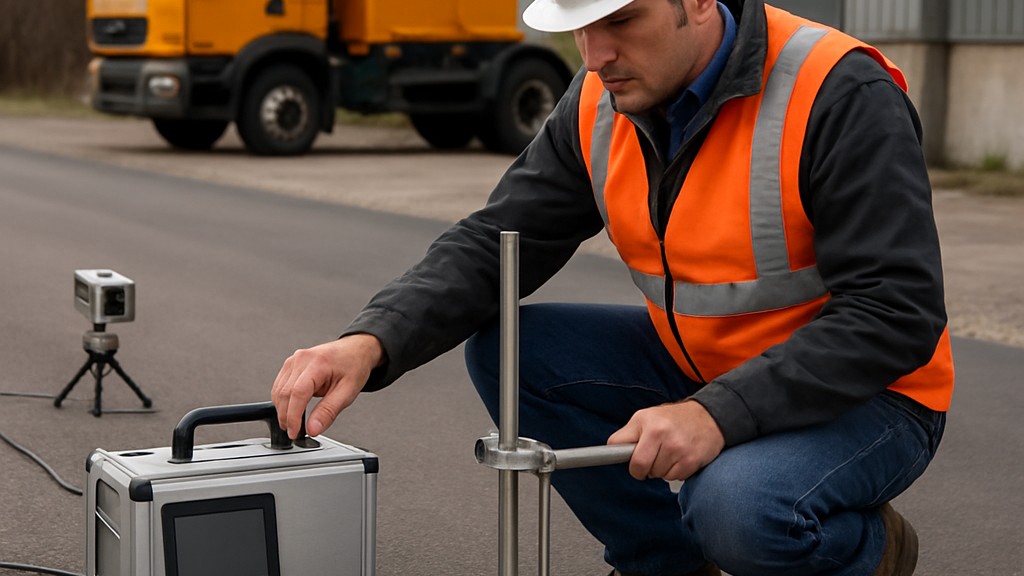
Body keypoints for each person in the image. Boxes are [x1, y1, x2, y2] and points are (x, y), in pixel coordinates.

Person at [271, 0, 954, 574]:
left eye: (621, 22)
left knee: (736, 507)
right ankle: (665, 565)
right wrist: (370, 340)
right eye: (580, 28)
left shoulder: (837, 91)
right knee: (516, 352)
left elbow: (895, 310)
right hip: (707, 365)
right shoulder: (601, 98)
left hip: (871, 396)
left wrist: (717, 414)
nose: (595, 55)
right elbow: (495, 239)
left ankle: (870, 551)